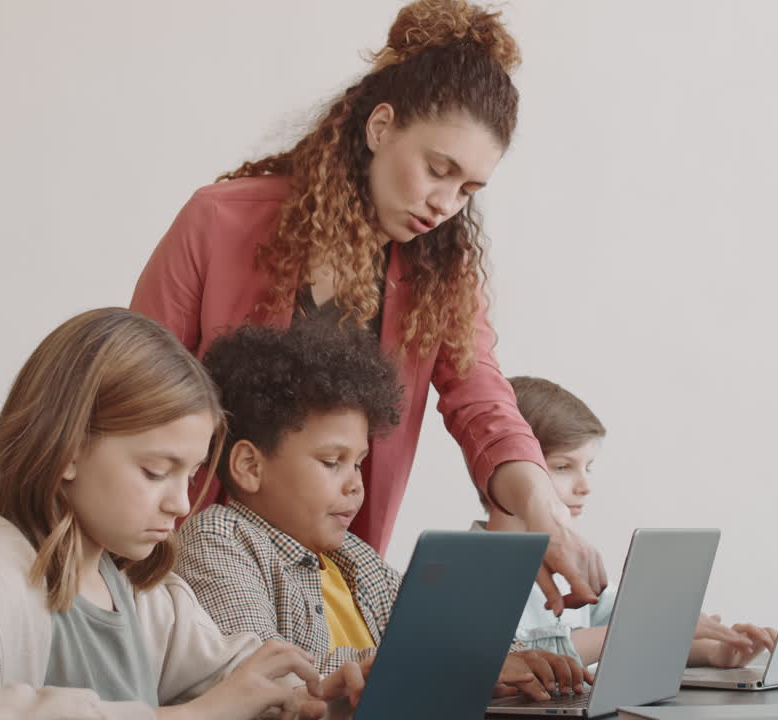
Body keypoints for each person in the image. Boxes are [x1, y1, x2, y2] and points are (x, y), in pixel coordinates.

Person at [131, 0, 604, 615]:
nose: (445, 203)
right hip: (187, 562)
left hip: (331, 577)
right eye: (437, 169)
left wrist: (545, 516)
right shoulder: (220, 221)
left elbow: (482, 400)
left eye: (468, 189)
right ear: (380, 127)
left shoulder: (441, 272)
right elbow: (133, 394)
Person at [0, 308, 363, 720]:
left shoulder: (139, 592)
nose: (181, 503)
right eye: (156, 471)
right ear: (68, 451)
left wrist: (320, 699)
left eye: (189, 475)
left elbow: (231, 680)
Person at [178, 322, 595, 703]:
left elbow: (445, 633)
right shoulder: (219, 538)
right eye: (331, 461)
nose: (354, 483)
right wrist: (457, 665)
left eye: (358, 462)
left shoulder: (354, 559)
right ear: (250, 466)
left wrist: (517, 659)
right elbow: (263, 677)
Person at [478, 376, 778, 668]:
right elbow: (505, 661)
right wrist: (647, 627)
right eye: (562, 467)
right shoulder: (470, 573)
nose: (585, 485)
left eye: (588, 468)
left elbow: (628, 626)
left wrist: (715, 650)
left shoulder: (569, 565)